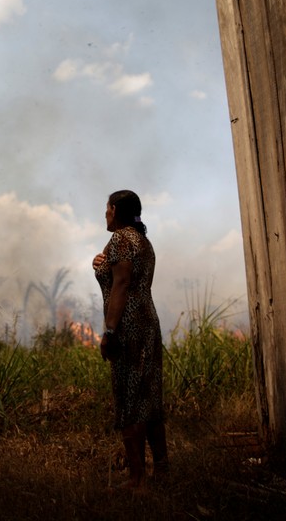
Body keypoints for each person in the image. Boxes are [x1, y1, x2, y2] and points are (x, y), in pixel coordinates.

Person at [92, 189, 168, 489]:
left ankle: (137, 478)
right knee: (149, 397)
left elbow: (122, 285)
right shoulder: (141, 241)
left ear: (114, 209)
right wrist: (102, 267)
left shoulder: (121, 240)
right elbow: (123, 276)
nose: (105, 214)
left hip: (129, 328)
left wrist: (110, 332)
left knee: (129, 399)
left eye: (107, 208)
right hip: (148, 324)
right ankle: (162, 470)